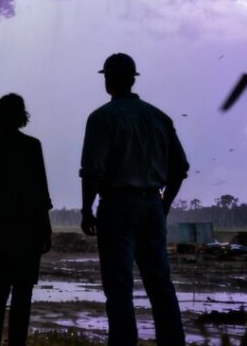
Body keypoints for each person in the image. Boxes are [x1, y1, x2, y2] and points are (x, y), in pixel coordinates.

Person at [79, 53, 189, 346]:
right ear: (132, 79)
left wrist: (86, 210)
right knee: (161, 285)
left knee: (118, 287)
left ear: (109, 80)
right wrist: (163, 205)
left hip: (117, 207)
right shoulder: (159, 117)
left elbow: (92, 171)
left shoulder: (102, 118)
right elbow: (180, 169)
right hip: (152, 204)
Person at [0, 93, 52, 346]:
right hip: (29, 227)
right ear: (22, 116)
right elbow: (42, 192)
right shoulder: (32, 146)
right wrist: (45, 230)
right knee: (23, 292)